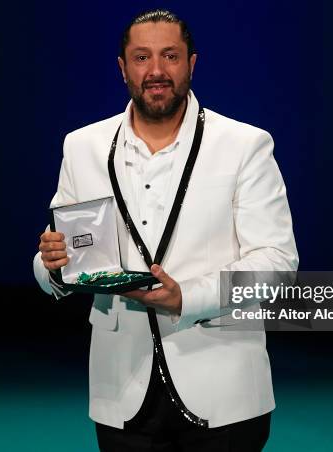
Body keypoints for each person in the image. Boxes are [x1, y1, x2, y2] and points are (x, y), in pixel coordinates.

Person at [33, 9, 298, 451]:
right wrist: (52, 265)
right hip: (120, 393)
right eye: (141, 58)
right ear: (123, 68)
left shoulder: (244, 145)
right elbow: (60, 257)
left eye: (169, 55)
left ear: (192, 63)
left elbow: (278, 263)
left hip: (225, 393)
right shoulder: (82, 147)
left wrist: (186, 297)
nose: (156, 71)